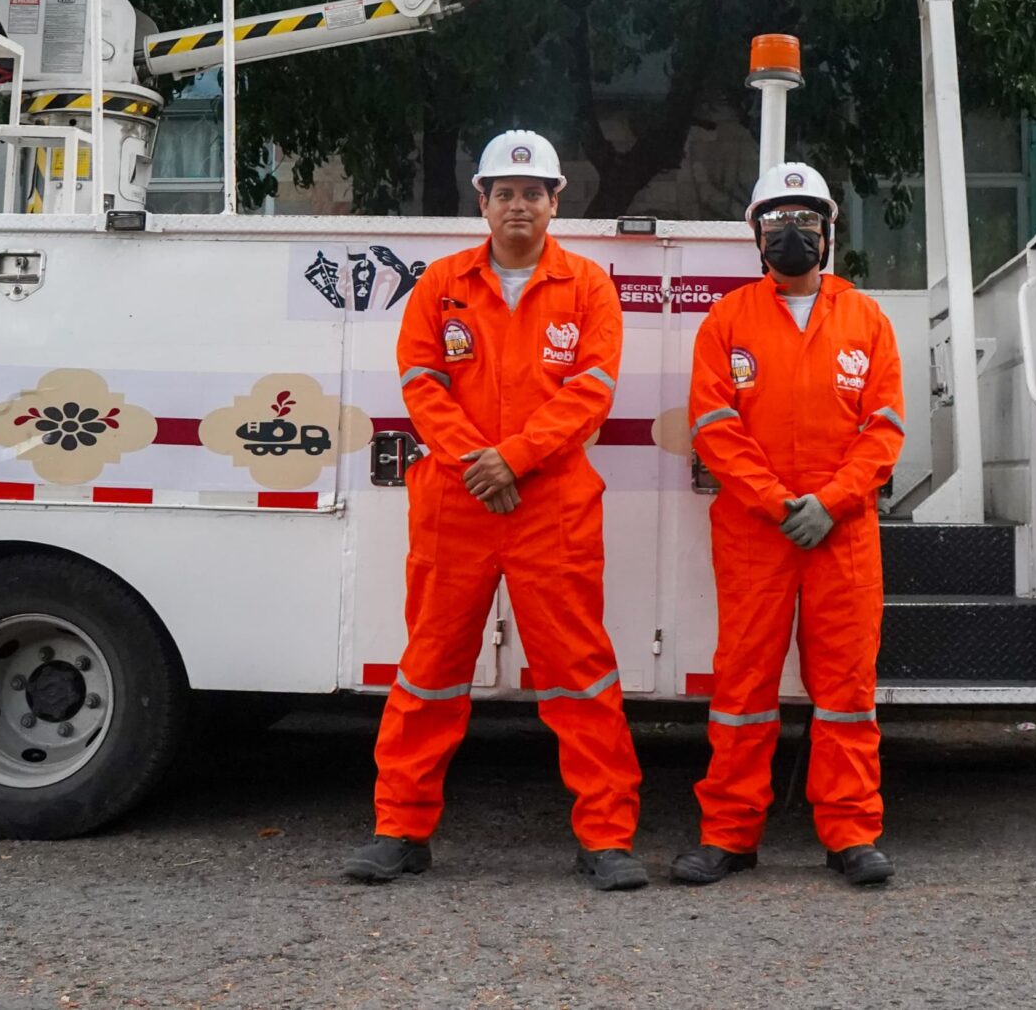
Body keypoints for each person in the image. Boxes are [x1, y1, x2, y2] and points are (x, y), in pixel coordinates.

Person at [342, 130, 648, 891]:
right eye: (504, 193)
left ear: (556, 201)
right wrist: (480, 464)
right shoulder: (442, 283)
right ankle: (400, 831)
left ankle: (607, 839)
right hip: (458, 501)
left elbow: (593, 391)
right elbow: (420, 382)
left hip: (552, 504)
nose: (519, 205)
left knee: (580, 675)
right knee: (431, 671)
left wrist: (510, 460)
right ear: (482, 201)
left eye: (532, 193)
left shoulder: (589, 287)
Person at [672, 162, 904, 889]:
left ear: (830, 232)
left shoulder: (866, 319)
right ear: (756, 236)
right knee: (742, 691)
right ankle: (730, 836)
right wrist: (778, 503)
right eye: (778, 221)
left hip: (843, 533)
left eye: (807, 220)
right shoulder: (727, 320)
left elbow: (885, 427)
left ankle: (851, 834)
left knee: (846, 691)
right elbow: (713, 426)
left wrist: (829, 502)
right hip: (754, 531)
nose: (793, 233)